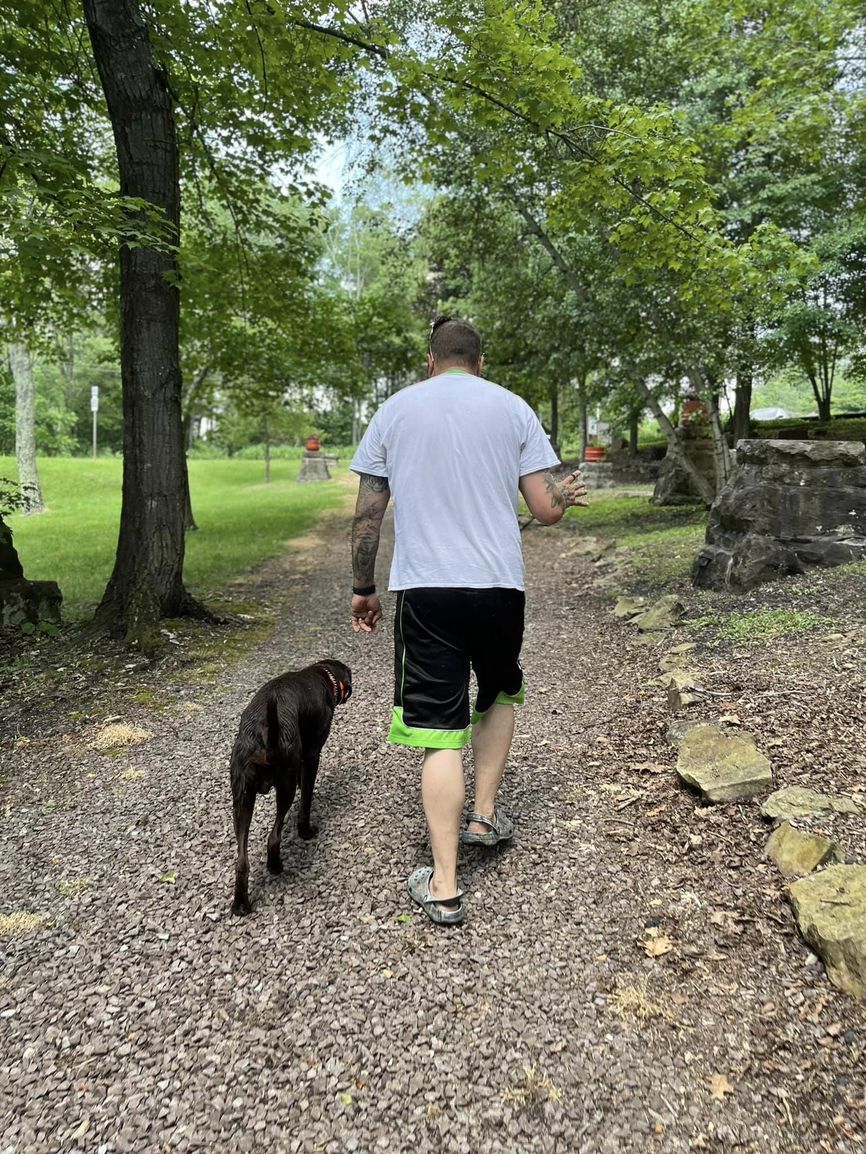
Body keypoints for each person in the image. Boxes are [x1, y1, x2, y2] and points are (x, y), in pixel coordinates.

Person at [349, 317, 588, 925]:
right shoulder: (513, 409)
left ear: (431, 360)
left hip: (427, 590)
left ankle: (447, 884)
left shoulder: (394, 412)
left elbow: (367, 517)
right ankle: (483, 814)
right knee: (502, 689)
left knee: (436, 728)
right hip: (499, 586)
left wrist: (363, 588)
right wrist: (565, 498)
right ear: (480, 362)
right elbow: (544, 509)